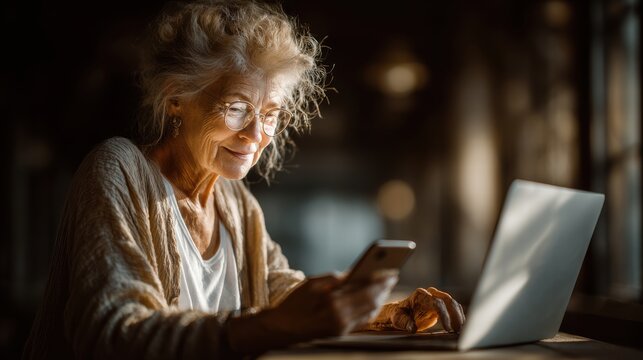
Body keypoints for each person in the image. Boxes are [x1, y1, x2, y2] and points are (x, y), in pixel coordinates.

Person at [23, 0, 465, 358]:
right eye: (236, 108)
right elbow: (112, 332)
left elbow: (278, 296)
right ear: (177, 99)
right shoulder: (116, 169)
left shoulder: (234, 201)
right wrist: (267, 326)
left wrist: (388, 314)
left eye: (270, 115)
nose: (257, 137)